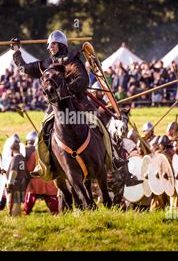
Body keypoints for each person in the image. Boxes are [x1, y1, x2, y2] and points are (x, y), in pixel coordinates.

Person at [11, 30, 127, 179]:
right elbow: (25, 69)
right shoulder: (46, 64)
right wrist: (16, 52)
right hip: (55, 107)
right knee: (43, 132)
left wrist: (66, 89)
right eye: (49, 45)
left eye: (53, 44)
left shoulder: (72, 59)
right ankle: (43, 164)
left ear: (61, 44)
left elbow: (82, 80)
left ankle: (113, 158)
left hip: (78, 104)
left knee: (100, 126)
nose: (50, 47)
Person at [23, 131, 58, 215]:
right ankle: (56, 212)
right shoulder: (52, 154)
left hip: (36, 183)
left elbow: (29, 168)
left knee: (30, 195)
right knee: (51, 198)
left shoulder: (35, 154)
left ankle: (26, 211)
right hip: (49, 181)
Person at [5, 136, 29, 216]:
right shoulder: (22, 158)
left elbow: (13, 171)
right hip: (22, 182)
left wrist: (10, 183)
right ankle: (17, 216)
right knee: (18, 202)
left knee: (15, 202)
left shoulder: (15, 159)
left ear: (12, 150)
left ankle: (15, 217)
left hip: (15, 183)